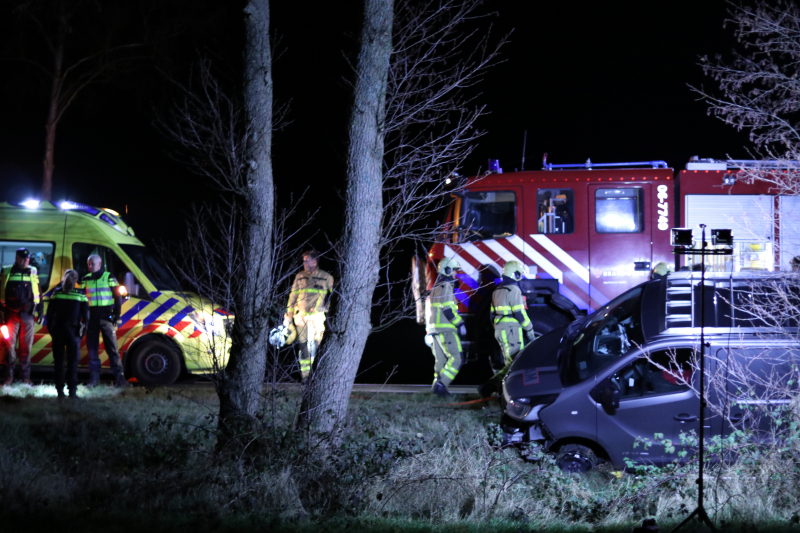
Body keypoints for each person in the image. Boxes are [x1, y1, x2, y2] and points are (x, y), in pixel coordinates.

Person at [478, 261, 534, 398]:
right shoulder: (514, 290)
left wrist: (498, 327)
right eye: (519, 272)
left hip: (500, 329)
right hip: (511, 329)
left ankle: (495, 388)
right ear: (514, 273)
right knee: (516, 362)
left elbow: (491, 314)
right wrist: (530, 330)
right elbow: (520, 314)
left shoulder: (497, 290)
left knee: (510, 362)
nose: (520, 275)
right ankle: (494, 388)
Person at [284, 250, 334, 381]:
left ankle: (316, 376)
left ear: (315, 261)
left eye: (307, 260)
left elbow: (334, 298)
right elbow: (293, 295)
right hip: (301, 318)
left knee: (315, 347)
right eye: (304, 260)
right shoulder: (300, 276)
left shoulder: (326, 277)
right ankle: (305, 377)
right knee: (303, 347)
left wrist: (325, 308)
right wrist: (288, 315)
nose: (304, 263)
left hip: (317, 318)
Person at [80, 254, 129, 388]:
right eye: (89, 264)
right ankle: (94, 380)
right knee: (92, 350)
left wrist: (117, 316)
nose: (90, 266)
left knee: (112, 349)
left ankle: (120, 379)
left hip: (106, 318)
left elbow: (118, 298)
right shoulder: (85, 279)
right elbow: (81, 300)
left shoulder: (109, 277)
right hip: (91, 319)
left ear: (100, 264)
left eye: (93, 264)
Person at [0, 248, 43, 386]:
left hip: (28, 315)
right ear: (16, 258)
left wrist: (40, 311)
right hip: (10, 314)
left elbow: (38, 292)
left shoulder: (33, 271)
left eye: (27, 258)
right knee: (9, 346)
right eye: (23, 258)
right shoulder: (6, 271)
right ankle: (9, 376)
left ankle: (25, 377)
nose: (25, 261)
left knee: (26, 347)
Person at [425, 257, 466, 397]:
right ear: (448, 270)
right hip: (447, 329)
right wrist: (460, 323)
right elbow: (448, 310)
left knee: (441, 360)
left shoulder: (436, 287)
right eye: (455, 271)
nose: (456, 274)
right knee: (457, 358)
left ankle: (436, 389)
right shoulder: (447, 286)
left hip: (435, 330)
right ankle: (441, 386)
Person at [46, 270, 88, 398]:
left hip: (58, 331)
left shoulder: (57, 293)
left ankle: (60, 392)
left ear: (64, 279)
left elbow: (49, 315)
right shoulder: (81, 294)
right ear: (76, 281)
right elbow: (86, 317)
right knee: (72, 364)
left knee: (59, 363)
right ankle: (72, 393)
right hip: (73, 332)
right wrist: (81, 335)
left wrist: (52, 331)